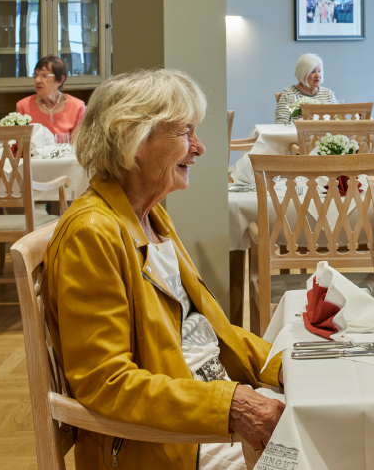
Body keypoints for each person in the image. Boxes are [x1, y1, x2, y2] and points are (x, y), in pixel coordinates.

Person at [42, 69, 285, 469]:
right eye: (185, 132)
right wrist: (233, 408)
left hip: (209, 418)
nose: (200, 148)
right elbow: (106, 383)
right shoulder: (91, 233)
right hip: (173, 444)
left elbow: (209, 332)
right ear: (132, 139)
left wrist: (287, 365)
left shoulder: (150, 219)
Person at [15, 56, 86, 140]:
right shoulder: (23, 106)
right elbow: (17, 146)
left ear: (60, 80)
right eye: (36, 75)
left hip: (65, 153)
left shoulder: (77, 106)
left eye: (44, 75)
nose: (38, 80)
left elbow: (77, 146)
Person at [275, 53, 337, 124]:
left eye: (319, 71)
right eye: (313, 71)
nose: (318, 75)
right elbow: (280, 124)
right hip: (296, 134)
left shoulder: (328, 94)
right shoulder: (289, 94)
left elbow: (337, 121)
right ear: (302, 73)